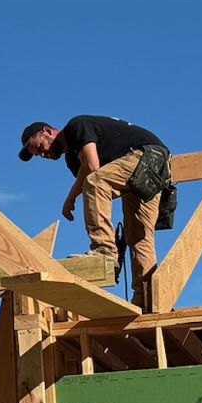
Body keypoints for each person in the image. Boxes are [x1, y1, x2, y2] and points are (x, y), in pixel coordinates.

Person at [18, 115, 175, 309]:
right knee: (138, 237)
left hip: (149, 156)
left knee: (95, 180)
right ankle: (147, 299)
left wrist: (70, 198)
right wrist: (79, 193)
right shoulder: (72, 161)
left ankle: (104, 250)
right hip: (143, 173)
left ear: (47, 131)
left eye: (40, 147)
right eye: (38, 155)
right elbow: (98, 193)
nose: (43, 154)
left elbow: (92, 168)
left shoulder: (77, 126)